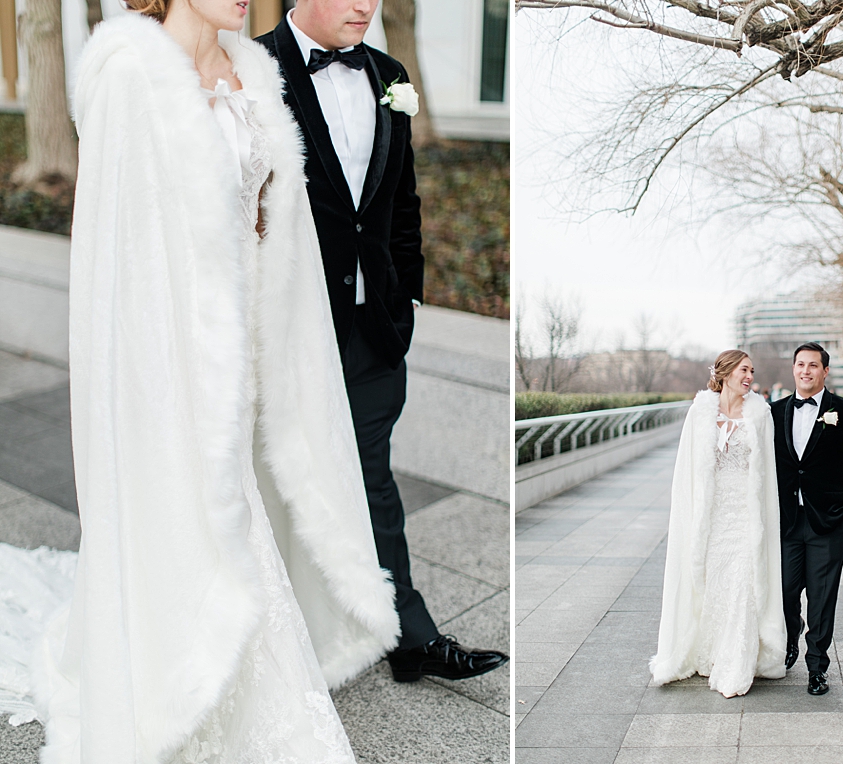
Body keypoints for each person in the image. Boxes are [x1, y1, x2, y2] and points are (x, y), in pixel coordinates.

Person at [3, 0, 404, 759]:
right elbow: (118, 251)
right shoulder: (131, 73)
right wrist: (167, 365)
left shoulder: (251, 69)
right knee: (203, 510)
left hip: (253, 347)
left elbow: (272, 225)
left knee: (245, 498)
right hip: (169, 352)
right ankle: (187, 680)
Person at [256, 0, 508, 682]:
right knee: (273, 477)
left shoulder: (390, 74)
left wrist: (406, 298)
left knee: (372, 477)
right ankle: (274, 633)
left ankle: (408, 636)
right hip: (284, 331)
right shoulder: (253, 69)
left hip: (374, 330)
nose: (366, 4)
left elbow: (402, 201)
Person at [650, 350, 786, 698]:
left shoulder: (760, 414)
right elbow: (687, 470)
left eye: (752, 371)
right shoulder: (700, 413)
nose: (749, 377)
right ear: (725, 372)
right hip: (712, 515)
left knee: (743, 582)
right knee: (714, 584)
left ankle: (737, 663)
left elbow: (767, 472)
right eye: (744, 370)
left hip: (745, 514)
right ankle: (709, 653)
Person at [770, 343, 843, 696]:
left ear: (825, 371)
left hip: (829, 522)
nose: (806, 371)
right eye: (800, 364)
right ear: (794, 369)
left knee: (822, 596)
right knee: (784, 592)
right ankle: (790, 637)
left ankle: (817, 667)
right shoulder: (773, 412)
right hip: (785, 522)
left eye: (813, 365)